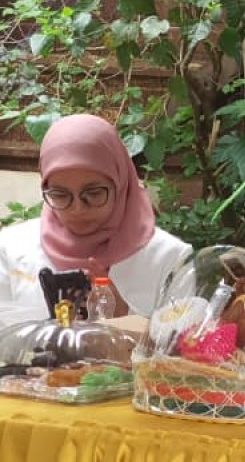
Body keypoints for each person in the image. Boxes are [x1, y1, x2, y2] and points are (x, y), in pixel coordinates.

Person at [0, 113, 191, 322]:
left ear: (120, 184)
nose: (77, 209)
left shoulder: (170, 259)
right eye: (60, 195)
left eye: (93, 193)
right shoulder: (11, 249)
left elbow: (185, 339)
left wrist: (125, 317)